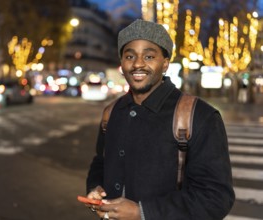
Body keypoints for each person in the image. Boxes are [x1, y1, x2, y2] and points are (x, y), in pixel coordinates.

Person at [84, 19, 235, 220]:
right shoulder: (112, 112)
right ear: (122, 64)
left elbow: (215, 197)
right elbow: (100, 162)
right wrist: (96, 188)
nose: (138, 63)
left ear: (165, 64)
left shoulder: (198, 115)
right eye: (129, 56)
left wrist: (143, 212)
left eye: (149, 56)